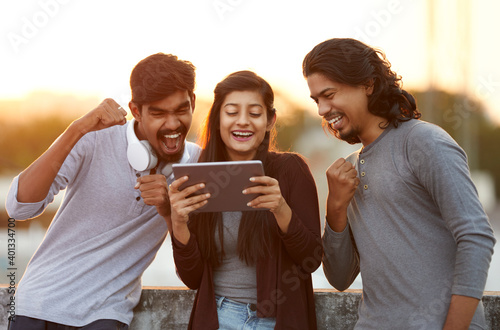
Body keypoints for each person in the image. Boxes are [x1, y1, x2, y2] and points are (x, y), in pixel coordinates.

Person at [302, 38, 496, 329]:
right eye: (316, 99)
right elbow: (340, 279)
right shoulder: (350, 169)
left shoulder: (423, 142)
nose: (321, 109)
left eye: (329, 94)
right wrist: (336, 207)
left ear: (367, 84)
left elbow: (477, 236)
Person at [5, 53, 201, 329]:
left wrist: (168, 210)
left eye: (181, 110)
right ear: (135, 110)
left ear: (193, 102)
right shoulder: (93, 138)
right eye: (158, 113)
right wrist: (76, 129)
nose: (172, 124)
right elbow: (19, 207)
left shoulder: (198, 165)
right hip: (36, 305)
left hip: (104, 316)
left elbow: (196, 267)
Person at [168, 70, 323, 329]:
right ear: (217, 118)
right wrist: (179, 222)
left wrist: (281, 209)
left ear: (270, 120)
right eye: (231, 112)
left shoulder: (290, 169)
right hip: (219, 317)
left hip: (275, 321)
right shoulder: (201, 175)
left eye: (254, 113)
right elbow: (192, 278)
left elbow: (312, 258)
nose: (243, 122)